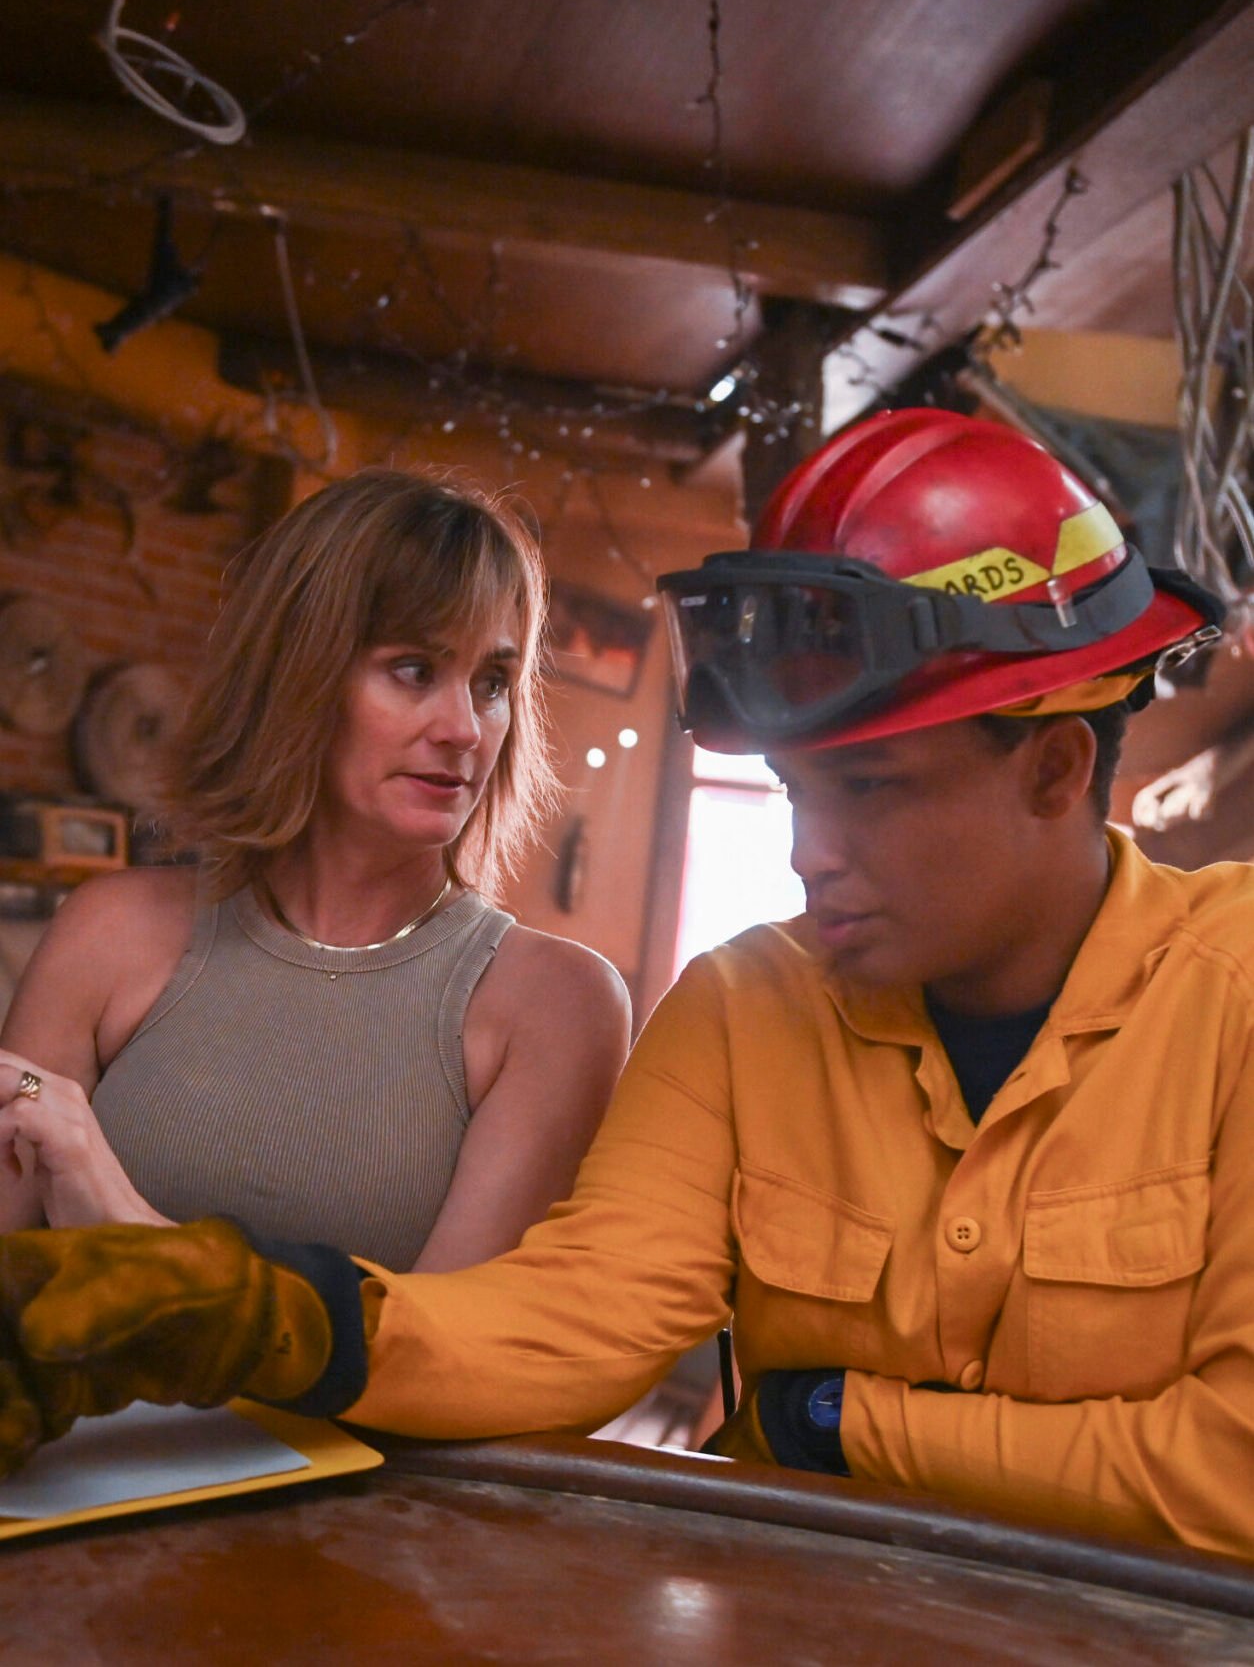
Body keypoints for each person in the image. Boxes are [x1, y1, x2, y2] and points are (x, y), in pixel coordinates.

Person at [1, 411, 1250, 1561]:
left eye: (869, 791)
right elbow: (571, 1320)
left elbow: (1235, 1470)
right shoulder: (743, 1006)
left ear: (1053, 767)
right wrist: (250, 1307)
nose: (807, 854)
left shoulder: (1235, 992)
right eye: (794, 793)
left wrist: (839, 1422)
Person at [0, 468, 630, 1272]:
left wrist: (116, 1211)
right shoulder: (112, 929)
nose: (465, 728)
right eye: (414, 670)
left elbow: (439, 1369)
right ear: (297, 673)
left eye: (493, 682)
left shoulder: (556, 1004)